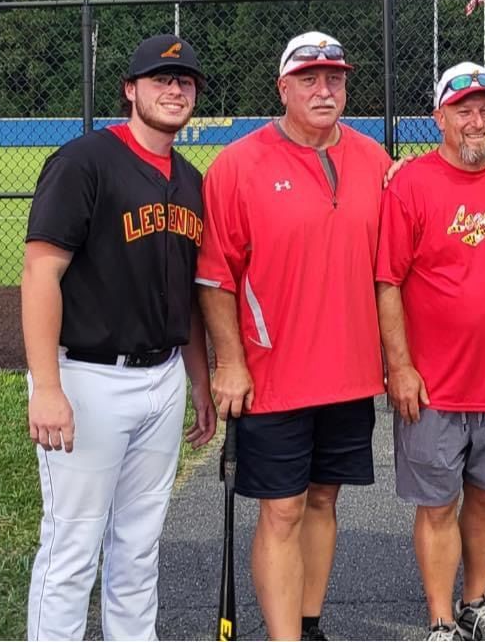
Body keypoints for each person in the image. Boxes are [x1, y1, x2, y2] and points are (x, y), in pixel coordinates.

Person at [195, 31, 390, 641]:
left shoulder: (375, 160)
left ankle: (308, 625)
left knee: (324, 502)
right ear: (283, 87)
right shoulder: (238, 165)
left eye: (334, 78)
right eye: (309, 78)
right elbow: (214, 276)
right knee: (281, 509)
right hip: (274, 374)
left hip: (351, 372)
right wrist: (229, 361)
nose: (324, 89)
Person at [22, 34, 216, 640]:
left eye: (184, 81)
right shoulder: (84, 161)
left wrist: (200, 384)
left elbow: (186, 297)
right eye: (162, 79)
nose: (175, 89)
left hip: (162, 379)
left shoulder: (190, 180)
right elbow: (40, 271)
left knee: (139, 541)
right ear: (131, 90)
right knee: (73, 543)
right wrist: (48, 387)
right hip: (86, 376)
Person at [376, 62, 485, 642]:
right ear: (439, 117)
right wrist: (400, 367)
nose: (477, 120)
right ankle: (440, 618)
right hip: (433, 383)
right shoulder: (412, 183)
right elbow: (387, 281)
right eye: (463, 109)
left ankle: (475, 601)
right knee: (437, 504)